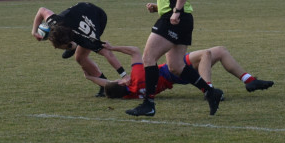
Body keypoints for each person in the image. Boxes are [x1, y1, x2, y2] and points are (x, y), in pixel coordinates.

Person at [127, 0, 223, 118]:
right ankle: (211, 92)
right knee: (176, 66)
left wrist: (175, 11)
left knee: (148, 58)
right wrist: (160, 7)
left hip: (175, 18)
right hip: (179, 17)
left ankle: (149, 103)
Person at [87, 43, 273, 109]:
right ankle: (209, 90)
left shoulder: (131, 93)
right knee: (207, 54)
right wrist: (112, 48)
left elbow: (104, 83)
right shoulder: (134, 78)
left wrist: (90, 76)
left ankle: (249, 80)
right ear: (122, 82)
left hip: (173, 77)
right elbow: (135, 51)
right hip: (172, 69)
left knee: (220, 51)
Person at [32, 3, 127, 97]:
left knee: (80, 57)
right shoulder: (55, 22)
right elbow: (42, 10)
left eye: (61, 46)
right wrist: (34, 31)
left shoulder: (88, 39)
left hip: (98, 17)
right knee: (79, 57)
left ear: (69, 41)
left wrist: (124, 75)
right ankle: (73, 48)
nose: (54, 48)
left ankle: (73, 48)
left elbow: (108, 53)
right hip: (78, 13)